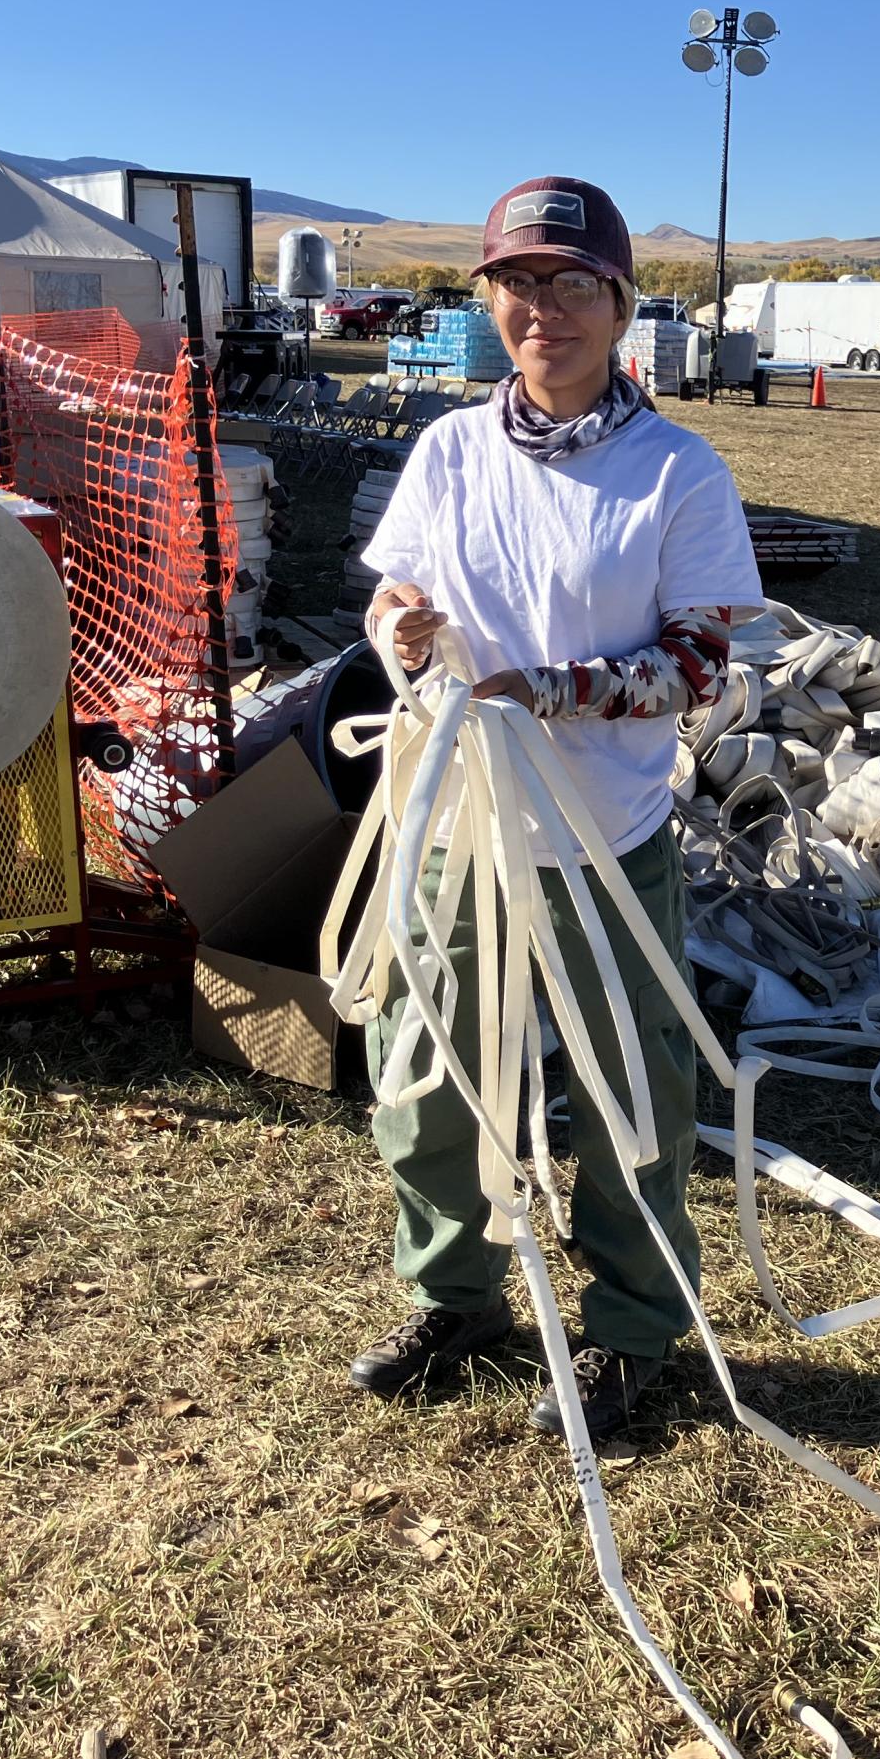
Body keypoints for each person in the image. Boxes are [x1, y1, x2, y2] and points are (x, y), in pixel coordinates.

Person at [347, 176, 762, 1438]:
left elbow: (703, 660)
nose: (544, 311)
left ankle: (635, 1333)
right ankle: (460, 1301)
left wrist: (560, 690)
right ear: (488, 302)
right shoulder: (449, 452)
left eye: (572, 285)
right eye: (518, 285)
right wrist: (402, 635)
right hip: (458, 828)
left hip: (602, 840)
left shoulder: (674, 472)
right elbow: (389, 605)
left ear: (622, 307)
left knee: (631, 1101)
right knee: (423, 1080)